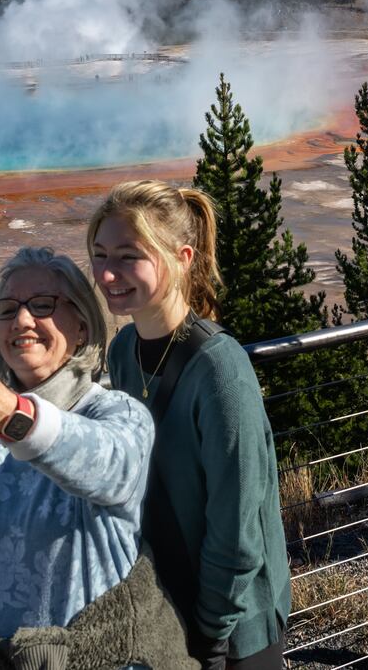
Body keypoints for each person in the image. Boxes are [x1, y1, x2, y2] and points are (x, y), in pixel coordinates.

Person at [0, 246, 193, 670]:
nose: (22, 320)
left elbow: (110, 467)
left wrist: (12, 416)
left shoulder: (117, 412)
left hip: (102, 659)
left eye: (42, 305)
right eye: (7, 309)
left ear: (81, 326)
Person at [89, 180, 291, 670]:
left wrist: (210, 634)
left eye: (127, 256)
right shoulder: (123, 352)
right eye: (99, 255)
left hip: (235, 625)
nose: (108, 274)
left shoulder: (220, 370)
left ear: (181, 257)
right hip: (166, 604)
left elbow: (238, 523)